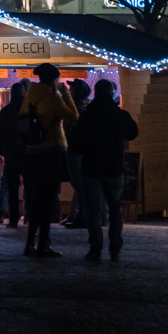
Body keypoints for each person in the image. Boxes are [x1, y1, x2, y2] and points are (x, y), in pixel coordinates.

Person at [68, 79, 138, 261]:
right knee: (115, 209)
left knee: (93, 211)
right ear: (110, 93)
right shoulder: (119, 114)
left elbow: (75, 145)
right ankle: (115, 248)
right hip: (114, 168)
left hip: (91, 169)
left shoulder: (87, 115)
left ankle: (95, 249)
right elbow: (133, 132)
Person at [21, 63, 79, 257]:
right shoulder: (53, 98)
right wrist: (65, 92)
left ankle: (30, 243)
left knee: (36, 200)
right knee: (47, 200)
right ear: (54, 79)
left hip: (31, 153)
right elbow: (74, 116)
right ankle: (43, 245)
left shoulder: (30, 96)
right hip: (51, 151)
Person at [0, 81, 29, 228]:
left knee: (12, 187)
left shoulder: (5, 111)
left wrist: (2, 149)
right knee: (29, 186)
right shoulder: (28, 110)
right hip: (27, 153)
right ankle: (29, 217)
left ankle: (13, 219)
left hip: (10, 154)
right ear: (23, 93)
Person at [63, 78, 93, 229]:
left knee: (78, 183)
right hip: (86, 149)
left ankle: (83, 215)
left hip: (75, 149)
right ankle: (80, 214)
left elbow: (70, 129)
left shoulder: (76, 108)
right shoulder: (89, 105)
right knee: (81, 183)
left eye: (71, 89)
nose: (69, 91)